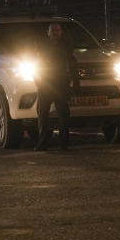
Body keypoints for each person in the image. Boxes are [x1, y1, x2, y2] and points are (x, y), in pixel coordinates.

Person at [33, 22, 79, 151]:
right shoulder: (42, 47)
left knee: (63, 115)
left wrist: (75, 84)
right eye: (53, 30)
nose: (55, 33)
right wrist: (38, 81)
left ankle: (64, 143)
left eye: (58, 30)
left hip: (61, 85)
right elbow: (36, 64)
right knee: (42, 115)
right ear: (48, 33)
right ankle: (43, 143)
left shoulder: (66, 47)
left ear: (61, 32)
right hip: (46, 85)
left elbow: (73, 66)